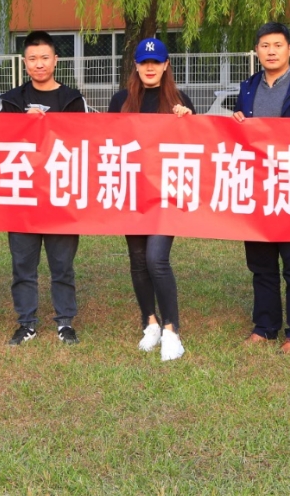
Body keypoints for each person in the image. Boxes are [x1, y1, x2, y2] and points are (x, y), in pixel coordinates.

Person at [233, 22, 290, 354]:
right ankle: (265, 326)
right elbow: (240, 136)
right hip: (257, 187)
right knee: (261, 264)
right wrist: (237, 123)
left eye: (277, 45)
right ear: (256, 51)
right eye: (264, 46)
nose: (271, 51)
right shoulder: (248, 88)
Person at [107, 37, 195, 361]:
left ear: (166, 65)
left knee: (157, 258)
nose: (149, 67)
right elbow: (106, 141)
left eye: (155, 62)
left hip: (166, 195)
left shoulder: (179, 100)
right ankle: (151, 323)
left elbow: (196, 144)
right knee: (138, 259)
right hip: (132, 190)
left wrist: (188, 120)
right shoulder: (121, 100)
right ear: (136, 65)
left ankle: (172, 331)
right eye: (144, 62)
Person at [0, 31, 87, 347]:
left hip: (60, 194)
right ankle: (26, 323)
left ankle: (65, 322)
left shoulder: (72, 99)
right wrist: (24, 125)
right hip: (22, 194)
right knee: (23, 265)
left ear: (55, 60)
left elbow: (82, 142)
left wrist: (49, 127)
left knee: (62, 265)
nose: (39, 64)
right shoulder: (11, 100)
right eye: (33, 59)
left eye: (45, 58)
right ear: (25, 63)